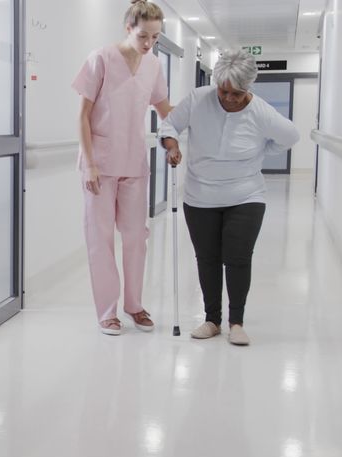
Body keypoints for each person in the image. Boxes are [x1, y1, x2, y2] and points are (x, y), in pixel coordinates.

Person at [159, 50, 299, 346]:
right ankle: (212, 320)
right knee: (207, 259)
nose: (230, 98)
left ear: (249, 88)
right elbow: (169, 125)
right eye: (224, 91)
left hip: (245, 195)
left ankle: (237, 322)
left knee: (237, 258)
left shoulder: (260, 112)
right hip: (200, 195)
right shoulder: (199, 99)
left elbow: (290, 137)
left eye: (238, 93)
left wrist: (261, 153)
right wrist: (171, 147)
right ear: (216, 82)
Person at [73, 0, 173, 336]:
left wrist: (189, 126)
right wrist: (88, 165)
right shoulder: (100, 58)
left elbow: (165, 109)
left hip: (134, 162)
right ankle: (107, 310)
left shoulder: (154, 65)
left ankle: (134, 304)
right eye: (143, 35)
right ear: (128, 27)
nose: (148, 44)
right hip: (99, 164)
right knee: (100, 239)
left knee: (136, 238)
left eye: (155, 38)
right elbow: (83, 116)